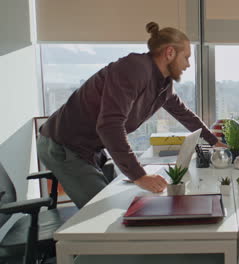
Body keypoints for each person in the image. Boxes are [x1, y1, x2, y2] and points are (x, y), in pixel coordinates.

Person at [37, 22, 226, 208]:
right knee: (100, 213)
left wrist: (214, 142)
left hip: (89, 147)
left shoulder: (163, 84)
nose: (188, 64)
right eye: (185, 57)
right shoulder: (134, 68)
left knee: (118, 203)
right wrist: (139, 176)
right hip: (64, 144)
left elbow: (184, 114)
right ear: (170, 53)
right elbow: (110, 125)